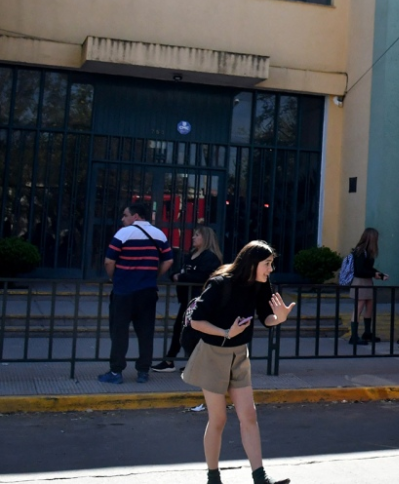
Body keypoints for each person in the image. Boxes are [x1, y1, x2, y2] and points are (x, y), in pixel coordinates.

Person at [182, 240, 295, 484]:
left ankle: (260, 477)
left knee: (249, 415)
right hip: (212, 354)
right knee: (218, 419)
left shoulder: (260, 284)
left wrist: (280, 317)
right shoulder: (220, 283)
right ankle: (213, 477)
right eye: (267, 264)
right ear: (252, 263)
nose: (270, 269)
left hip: (239, 355)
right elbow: (196, 321)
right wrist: (226, 332)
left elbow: (267, 318)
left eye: (271, 264)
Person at [100, 202, 174, 385]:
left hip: (123, 291)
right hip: (147, 291)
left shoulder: (123, 233)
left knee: (119, 332)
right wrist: (153, 275)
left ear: (136, 216)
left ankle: (116, 371)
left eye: (125, 215)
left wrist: (114, 278)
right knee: (146, 332)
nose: (122, 219)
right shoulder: (159, 234)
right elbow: (169, 260)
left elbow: (109, 261)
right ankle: (143, 371)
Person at [153, 225, 223, 373]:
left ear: (205, 238)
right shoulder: (191, 254)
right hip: (187, 299)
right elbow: (179, 271)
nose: (193, 237)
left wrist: (182, 277)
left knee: (191, 331)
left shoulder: (210, 257)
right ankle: (174, 360)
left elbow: (203, 277)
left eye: (197, 235)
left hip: (200, 300)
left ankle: (187, 361)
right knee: (182, 329)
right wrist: (176, 276)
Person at [348, 228, 388, 345]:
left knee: (369, 306)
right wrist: (374, 274)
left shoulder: (367, 252)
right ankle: (354, 336)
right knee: (359, 308)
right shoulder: (360, 251)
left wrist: (379, 275)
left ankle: (367, 333)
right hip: (360, 282)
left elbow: (368, 269)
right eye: (375, 237)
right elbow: (360, 270)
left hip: (366, 282)